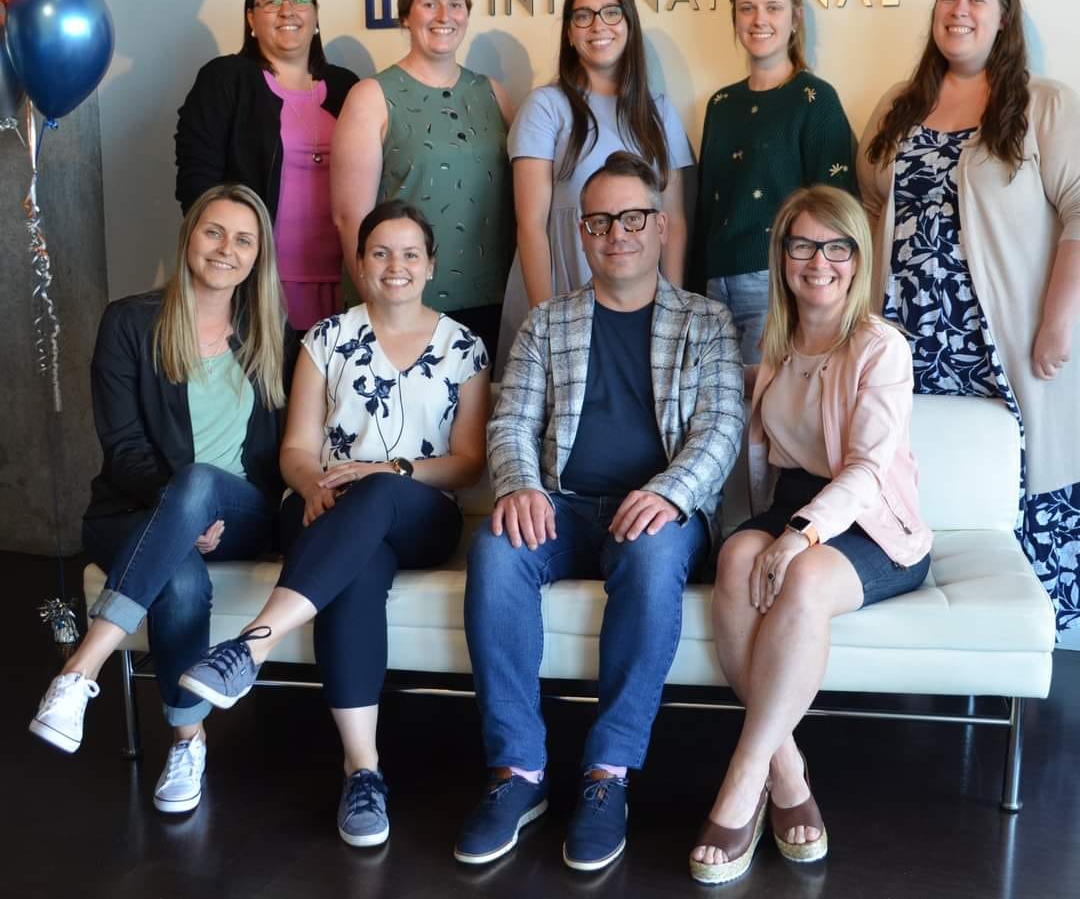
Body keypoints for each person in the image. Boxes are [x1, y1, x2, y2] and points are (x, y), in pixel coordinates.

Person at [455, 151, 744, 872]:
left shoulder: (706, 321)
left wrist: (670, 492)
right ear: (581, 233)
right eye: (601, 221)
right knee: (495, 547)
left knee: (652, 554)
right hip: (564, 504)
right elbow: (510, 422)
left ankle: (607, 774)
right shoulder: (547, 323)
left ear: (661, 226)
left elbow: (720, 428)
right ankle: (518, 771)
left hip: (659, 512)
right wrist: (519, 487)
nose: (618, 233)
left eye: (634, 218)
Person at [177, 201, 490, 846]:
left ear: (431, 265)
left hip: (419, 512)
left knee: (378, 493)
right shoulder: (325, 338)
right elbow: (296, 448)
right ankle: (362, 771)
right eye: (380, 253)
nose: (396, 265)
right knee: (359, 568)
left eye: (410, 253)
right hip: (322, 507)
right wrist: (312, 484)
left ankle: (251, 646)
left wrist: (389, 470)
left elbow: (468, 464)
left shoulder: (464, 346)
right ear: (360, 263)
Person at [688, 185, 931, 884]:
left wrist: (802, 535)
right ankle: (788, 769)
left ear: (858, 258)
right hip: (795, 503)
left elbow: (867, 469)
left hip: (871, 520)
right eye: (802, 245)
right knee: (736, 559)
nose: (818, 261)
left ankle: (744, 779)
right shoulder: (778, 340)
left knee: (799, 576)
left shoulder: (880, 347)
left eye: (836, 247)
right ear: (782, 256)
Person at [30, 184, 291, 816]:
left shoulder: (273, 334)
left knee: (200, 483)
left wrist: (199, 505)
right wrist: (181, 511)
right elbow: (123, 448)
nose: (226, 249)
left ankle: (79, 670)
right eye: (213, 232)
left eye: (244, 240)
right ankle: (187, 740)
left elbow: (285, 454)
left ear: (258, 256)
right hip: (133, 511)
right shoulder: (130, 322)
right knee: (180, 575)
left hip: (240, 514)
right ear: (188, 237)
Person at [858, 0, 1080, 634]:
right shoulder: (899, 105)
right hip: (907, 340)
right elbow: (869, 206)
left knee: (1023, 481)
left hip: (1005, 341)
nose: (959, 11)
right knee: (921, 480)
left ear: (1004, 17)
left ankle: (1036, 648)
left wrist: (1058, 320)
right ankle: (924, 633)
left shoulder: (1043, 103)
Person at [496, 0, 694, 374]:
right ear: (570, 33)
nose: (598, 25)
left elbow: (673, 221)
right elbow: (531, 225)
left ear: (628, 24)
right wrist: (547, 324)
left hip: (641, 302)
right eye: (583, 16)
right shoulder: (545, 106)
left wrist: (672, 313)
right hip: (560, 288)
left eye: (610, 12)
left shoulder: (658, 110)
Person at [331, 0, 513, 358]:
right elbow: (349, 218)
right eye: (430, 4)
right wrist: (382, 311)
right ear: (405, 15)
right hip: (401, 303)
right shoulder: (371, 96)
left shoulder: (494, 94)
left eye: (456, 4)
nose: (444, 16)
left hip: (489, 300)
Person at [175, 0, 359, 331]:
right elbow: (197, 183)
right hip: (254, 284)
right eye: (271, 2)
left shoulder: (348, 87)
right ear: (251, 19)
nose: (287, 10)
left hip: (345, 284)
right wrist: (225, 265)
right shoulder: (227, 79)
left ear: (316, 16)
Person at [692, 0, 856, 364]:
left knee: (763, 399)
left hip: (776, 284)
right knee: (712, 400)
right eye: (747, 8)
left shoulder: (815, 100)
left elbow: (837, 209)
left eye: (773, 7)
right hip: (713, 287)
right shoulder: (721, 104)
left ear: (795, 18)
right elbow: (706, 206)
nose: (759, 19)